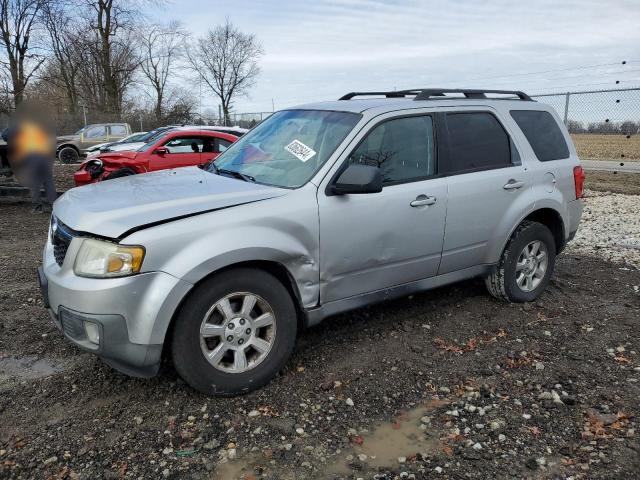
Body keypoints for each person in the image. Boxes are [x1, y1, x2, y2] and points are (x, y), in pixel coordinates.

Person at [6, 110, 56, 213]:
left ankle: (37, 208)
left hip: (33, 156)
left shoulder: (19, 126)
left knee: (35, 183)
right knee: (48, 182)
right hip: (45, 156)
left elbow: (5, 135)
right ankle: (53, 206)